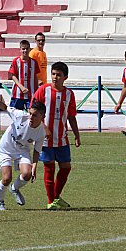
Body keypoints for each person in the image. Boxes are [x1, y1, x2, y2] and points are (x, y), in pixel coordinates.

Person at [0, 93, 47, 211]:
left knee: (27, 174)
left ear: (42, 116)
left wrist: (34, 167)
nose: (31, 117)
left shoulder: (41, 132)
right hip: (6, 148)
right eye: (30, 114)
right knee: (7, 178)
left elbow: (37, 151)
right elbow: (5, 107)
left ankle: (15, 188)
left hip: (22, 151)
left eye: (35, 115)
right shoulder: (20, 116)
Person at [32, 61, 81, 210]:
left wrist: (77, 135)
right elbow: (33, 111)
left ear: (65, 77)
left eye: (58, 75)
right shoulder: (43, 90)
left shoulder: (69, 94)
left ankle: (55, 197)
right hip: (45, 139)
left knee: (66, 167)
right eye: (53, 74)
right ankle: (50, 201)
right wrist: (43, 127)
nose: (55, 77)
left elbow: (71, 116)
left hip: (62, 137)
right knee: (49, 168)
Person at [9, 39, 40, 110]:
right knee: (16, 115)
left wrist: (37, 91)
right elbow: (13, 76)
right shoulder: (15, 61)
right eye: (23, 49)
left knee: (32, 114)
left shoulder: (34, 62)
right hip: (18, 94)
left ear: (30, 49)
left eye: (27, 49)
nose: (25, 51)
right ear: (20, 49)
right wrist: (21, 87)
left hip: (31, 94)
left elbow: (35, 77)